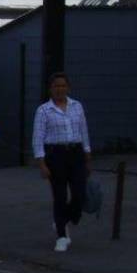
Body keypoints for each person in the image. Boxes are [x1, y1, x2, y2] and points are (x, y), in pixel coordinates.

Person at [33, 72, 92, 253]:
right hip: (55, 154)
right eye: (56, 86)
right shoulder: (44, 110)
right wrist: (41, 163)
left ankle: (64, 219)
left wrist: (87, 154)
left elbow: (83, 131)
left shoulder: (77, 106)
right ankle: (61, 235)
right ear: (50, 89)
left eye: (62, 86)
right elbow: (38, 137)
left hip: (75, 153)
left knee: (79, 194)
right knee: (59, 196)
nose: (60, 89)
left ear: (68, 87)